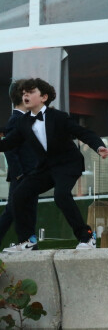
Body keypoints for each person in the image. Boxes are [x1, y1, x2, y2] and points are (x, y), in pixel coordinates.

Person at [0, 78, 108, 252]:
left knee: (61, 195)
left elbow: (82, 132)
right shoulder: (24, 122)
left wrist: (98, 146)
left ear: (44, 97)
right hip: (46, 167)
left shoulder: (57, 117)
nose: (25, 95)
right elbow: (9, 143)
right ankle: (27, 240)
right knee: (19, 195)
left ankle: (87, 237)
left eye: (31, 92)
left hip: (68, 164)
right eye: (23, 93)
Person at [0, 80, 38, 248]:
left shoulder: (26, 119)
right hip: (23, 176)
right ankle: (29, 244)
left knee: (15, 211)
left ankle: (29, 244)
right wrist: (20, 174)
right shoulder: (16, 120)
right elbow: (10, 150)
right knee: (20, 211)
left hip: (30, 175)